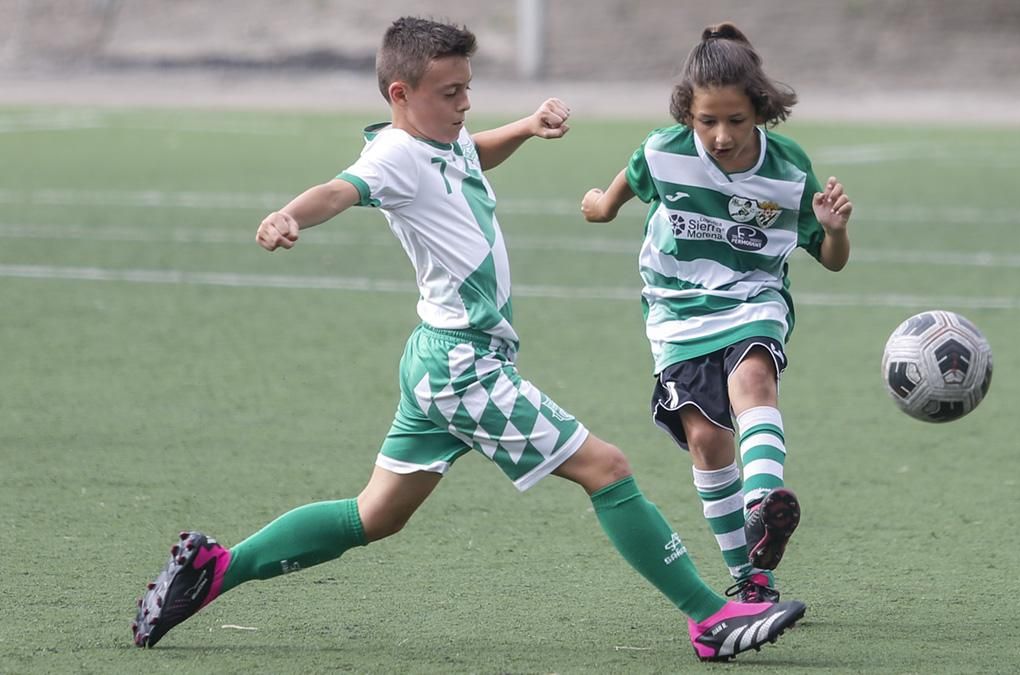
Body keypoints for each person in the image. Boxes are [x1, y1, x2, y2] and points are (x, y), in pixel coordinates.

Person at [130, 17, 805, 663]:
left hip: (437, 359)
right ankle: (711, 619)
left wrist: (526, 128)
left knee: (374, 515)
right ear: (401, 94)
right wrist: (288, 214)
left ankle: (215, 570)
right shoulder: (394, 154)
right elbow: (341, 189)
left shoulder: (437, 141)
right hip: (464, 365)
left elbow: (469, 153)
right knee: (609, 469)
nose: (465, 103)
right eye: (452, 93)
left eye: (467, 88)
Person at [580, 22, 853, 605]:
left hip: (753, 298)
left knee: (754, 380)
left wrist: (834, 231)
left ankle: (762, 506)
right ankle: (752, 576)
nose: (722, 136)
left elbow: (830, 261)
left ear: (760, 112)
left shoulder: (787, 171)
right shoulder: (664, 150)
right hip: (677, 308)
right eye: (708, 121)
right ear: (688, 113)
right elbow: (625, 186)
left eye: (736, 120)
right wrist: (599, 207)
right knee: (707, 440)